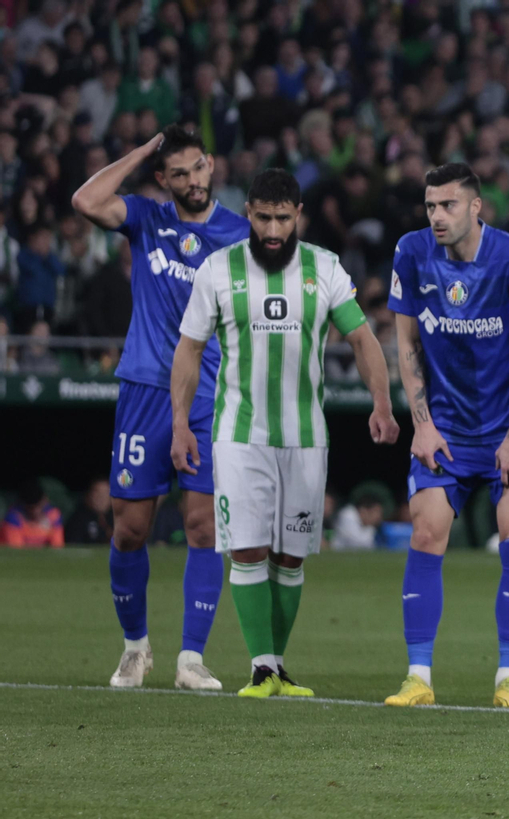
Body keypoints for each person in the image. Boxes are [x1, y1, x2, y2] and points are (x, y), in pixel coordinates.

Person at [171, 168, 398, 699]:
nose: (273, 230)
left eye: (283, 218)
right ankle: (262, 668)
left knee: (291, 556)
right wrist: (181, 423)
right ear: (248, 212)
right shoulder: (218, 269)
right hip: (238, 433)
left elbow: (362, 339)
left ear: (299, 215)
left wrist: (383, 402)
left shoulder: (325, 268)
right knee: (247, 549)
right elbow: (189, 350)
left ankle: (276, 663)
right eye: (263, 217)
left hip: (304, 436)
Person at [71, 124, 250, 691]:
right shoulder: (148, 220)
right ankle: (135, 649)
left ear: (211, 164)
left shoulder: (240, 235)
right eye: (179, 173)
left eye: (199, 168)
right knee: (129, 528)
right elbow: (85, 200)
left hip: (209, 393)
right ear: (162, 178)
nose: (193, 181)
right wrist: (144, 148)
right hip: (145, 388)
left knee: (202, 526)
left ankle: (191, 659)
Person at [384, 163, 509, 710]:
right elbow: (406, 344)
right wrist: (423, 424)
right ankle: (417, 676)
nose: (436, 216)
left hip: (508, 429)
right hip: (447, 431)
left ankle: (508, 677)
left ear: (476, 207)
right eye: (431, 205)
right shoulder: (411, 253)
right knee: (427, 528)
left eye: (448, 205)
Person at [3, 479, 64, 548]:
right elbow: (17, 551)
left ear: (44, 500)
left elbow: (57, 547)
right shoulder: (14, 518)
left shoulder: (53, 515)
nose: (35, 512)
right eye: (31, 508)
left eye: (38, 506)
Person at [65, 478, 115, 545]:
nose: (101, 497)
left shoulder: (118, 519)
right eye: (97, 492)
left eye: (106, 493)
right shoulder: (78, 519)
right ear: (89, 495)